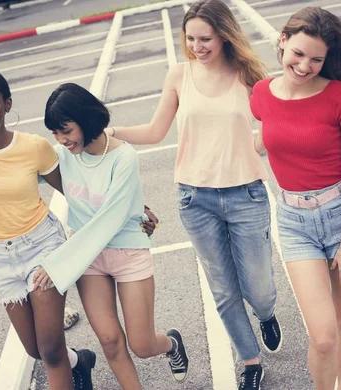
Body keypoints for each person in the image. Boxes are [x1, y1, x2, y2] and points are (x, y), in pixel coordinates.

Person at [105, 1, 282, 388]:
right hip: (195, 199)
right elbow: (155, 131)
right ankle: (250, 362)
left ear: (224, 35)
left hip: (245, 195)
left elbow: (275, 124)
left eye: (206, 38)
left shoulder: (248, 75)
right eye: (191, 39)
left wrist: (252, 145)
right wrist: (108, 132)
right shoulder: (179, 76)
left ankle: (267, 314)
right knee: (222, 288)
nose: (198, 46)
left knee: (259, 287)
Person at [249, 7, 341, 390]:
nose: (305, 66)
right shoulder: (262, 94)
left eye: (316, 59)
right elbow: (266, 138)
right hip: (294, 221)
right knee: (322, 336)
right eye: (299, 54)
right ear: (283, 42)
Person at [0, 70, 95, 390]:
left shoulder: (33, 148)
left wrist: (128, 211)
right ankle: (79, 362)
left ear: (7, 104)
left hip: (43, 246)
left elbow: (74, 191)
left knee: (51, 349)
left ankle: (67, 365)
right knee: (34, 348)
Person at [35, 83, 189, 389]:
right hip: (89, 258)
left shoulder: (123, 157)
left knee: (142, 345)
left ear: (85, 119)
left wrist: (59, 265)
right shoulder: (60, 155)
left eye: (66, 130)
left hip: (128, 251)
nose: (61, 140)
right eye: (55, 133)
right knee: (109, 340)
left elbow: (109, 219)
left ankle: (171, 344)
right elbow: (12, 162)